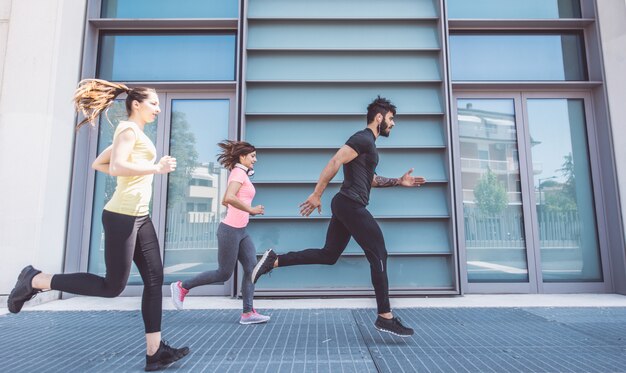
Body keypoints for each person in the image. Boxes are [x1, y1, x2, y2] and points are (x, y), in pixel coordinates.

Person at [7, 79, 190, 371]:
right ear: (136, 104)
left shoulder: (136, 132)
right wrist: (157, 168)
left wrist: (139, 172)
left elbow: (99, 163)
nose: (157, 108)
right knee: (112, 287)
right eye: (153, 103)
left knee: (154, 280)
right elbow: (116, 167)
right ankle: (37, 280)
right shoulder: (128, 129)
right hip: (122, 216)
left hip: (140, 215)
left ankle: (154, 353)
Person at [252, 96, 426, 337]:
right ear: (379, 117)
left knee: (329, 255)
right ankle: (385, 316)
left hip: (346, 205)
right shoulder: (362, 138)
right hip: (350, 205)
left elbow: (372, 179)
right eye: (391, 118)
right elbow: (335, 160)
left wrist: (399, 181)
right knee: (379, 253)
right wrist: (316, 194)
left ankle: (274, 261)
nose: (393, 124)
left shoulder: (369, 146)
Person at [170, 140, 270, 325]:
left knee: (251, 267)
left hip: (241, 231)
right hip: (230, 230)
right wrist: (251, 209)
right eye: (253, 156)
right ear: (242, 156)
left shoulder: (243, 173)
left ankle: (248, 312)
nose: (255, 159)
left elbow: (228, 201)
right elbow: (228, 197)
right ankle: (182, 286)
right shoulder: (238, 173)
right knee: (224, 273)